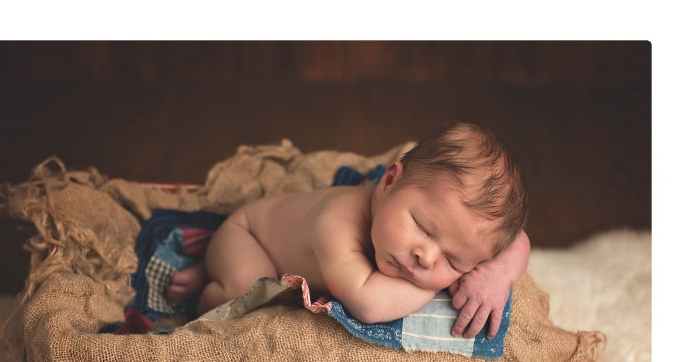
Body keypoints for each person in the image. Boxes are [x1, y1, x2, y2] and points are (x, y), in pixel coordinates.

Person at [166, 121, 530, 339]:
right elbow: (368, 304)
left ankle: (214, 266)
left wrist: (497, 274)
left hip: (286, 254)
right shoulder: (336, 223)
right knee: (247, 289)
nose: (426, 257)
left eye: (453, 259)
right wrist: (446, 281)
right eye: (421, 227)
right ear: (389, 182)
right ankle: (209, 280)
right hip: (248, 236)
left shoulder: (426, 227)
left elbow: (514, 240)